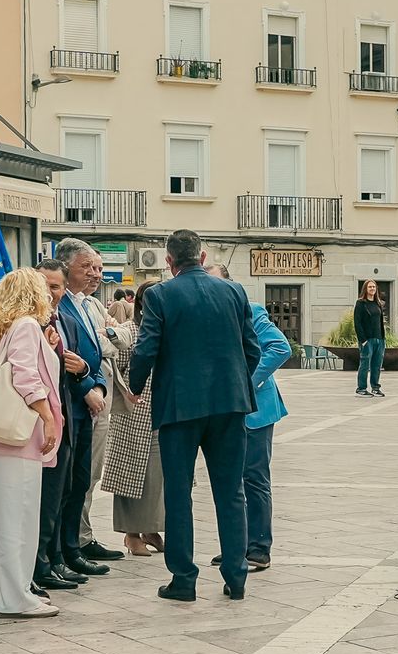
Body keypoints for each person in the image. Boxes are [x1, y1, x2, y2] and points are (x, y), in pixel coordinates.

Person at [130, 229, 261, 602]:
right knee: (231, 492)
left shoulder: (159, 295)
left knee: (178, 492)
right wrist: (233, 382)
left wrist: (135, 387)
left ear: (169, 262)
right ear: (202, 257)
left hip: (179, 407)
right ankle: (236, 577)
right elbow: (251, 349)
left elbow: (146, 349)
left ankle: (184, 578)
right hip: (230, 404)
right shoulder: (234, 291)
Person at [0, 268, 63, 620]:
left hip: (1, 439)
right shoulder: (27, 325)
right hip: (21, 436)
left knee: (5, 522)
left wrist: (50, 348)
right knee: (22, 518)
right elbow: (25, 374)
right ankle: (17, 596)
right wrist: (46, 417)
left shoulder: (8, 328)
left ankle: (3, 592)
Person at [207, 263, 289, 571]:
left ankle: (259, 548)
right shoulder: (208, 315)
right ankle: (234, 545)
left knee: (254, 478)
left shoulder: (251, 309)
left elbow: (280, 347)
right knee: (230, 480)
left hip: (255, 410)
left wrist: (248, 382)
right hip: (223, 410)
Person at [56, 239, 124, 564]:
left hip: (99, 396)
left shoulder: (89, 303)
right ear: (65, 268)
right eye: (88, 267)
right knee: (73, 478)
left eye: (98, 267)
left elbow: (106, 347)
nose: (96, 274)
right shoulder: (62, 306)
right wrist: (87, 383)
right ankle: (72, 544)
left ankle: (80, 537)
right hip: (78, 401)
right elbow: (84, 351)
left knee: (88, 475)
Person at [31, 258, 84, 593]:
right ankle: (40, 565)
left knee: (62, 492)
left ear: (65, 290)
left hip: (66, 418)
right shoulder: (26, 324)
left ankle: (56, 559)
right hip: (40, 423)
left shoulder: (65, 321)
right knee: (41, 497)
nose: (49, 293)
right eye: (43, 285)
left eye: (55, 286)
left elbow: (78, 367)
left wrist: (81, 371)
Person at [103, 280, 164, 557]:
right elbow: (118, 361)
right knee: (132, 472)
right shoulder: (131, 329)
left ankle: (152, 528)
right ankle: (131, 534)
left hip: (164, 409)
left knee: (160, 474)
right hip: (135, 411)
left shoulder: (169, 329)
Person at [353, 280, 386, 398]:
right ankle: (361, 388)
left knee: (377, 365)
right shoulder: (361, 303)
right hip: (367, 340)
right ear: (365, 289)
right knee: (365, 364)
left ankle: (375, 388)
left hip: (379, 339)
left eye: (374, 287)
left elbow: (380, 322)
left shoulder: (378, 303)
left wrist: (383, 338)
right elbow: (357, 323)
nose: (372, 289)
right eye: (370, 287)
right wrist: (363, 340)